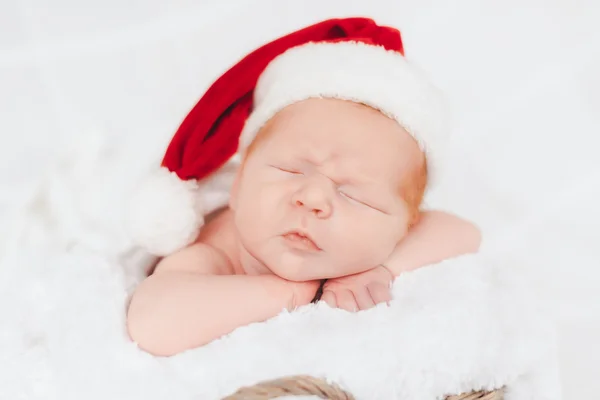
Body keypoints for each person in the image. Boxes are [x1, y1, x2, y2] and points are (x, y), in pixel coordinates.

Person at [125, 18, 481, 357]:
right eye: (289, 170)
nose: (312, 199)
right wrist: (293, 292)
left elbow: (463, 232)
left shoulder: (374, 247)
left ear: (404, 226)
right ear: (238, 185)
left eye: (352, 194)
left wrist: (382, 270)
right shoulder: (217, 252)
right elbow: (152, 323)